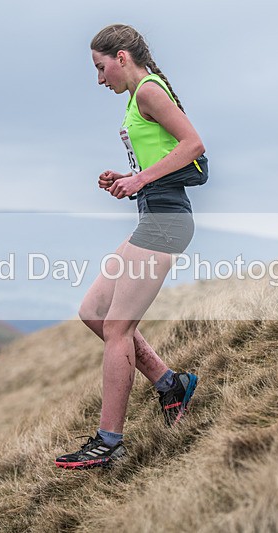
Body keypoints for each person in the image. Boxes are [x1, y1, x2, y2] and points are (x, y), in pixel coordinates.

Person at [54, 23, 206, 469]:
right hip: (153, 217)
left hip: (166, 221)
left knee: (117, 328)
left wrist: (140, 179)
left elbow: (193, 145)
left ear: (121, 57)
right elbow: (163, 156)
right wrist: (128, 178)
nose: (99, 79)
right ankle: (170, 385)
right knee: (93, 312)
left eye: (101, 68)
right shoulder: (137, 97)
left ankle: (109, 442)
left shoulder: (148, 91)